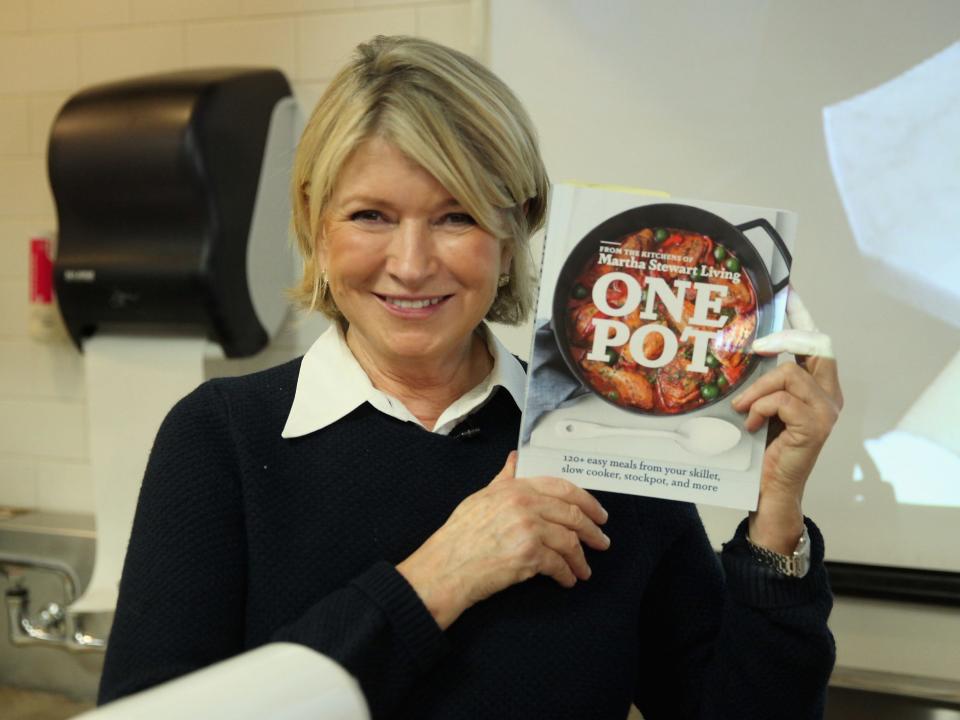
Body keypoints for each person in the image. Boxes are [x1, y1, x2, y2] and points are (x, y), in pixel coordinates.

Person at [98, 35, 843, 719]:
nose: (413, 263)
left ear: (515, 235)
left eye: (456, 217)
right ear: (313, 222)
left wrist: (776, 514)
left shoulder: (615, 440)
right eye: (370, 215)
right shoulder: (222, 439)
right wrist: (437, 580)